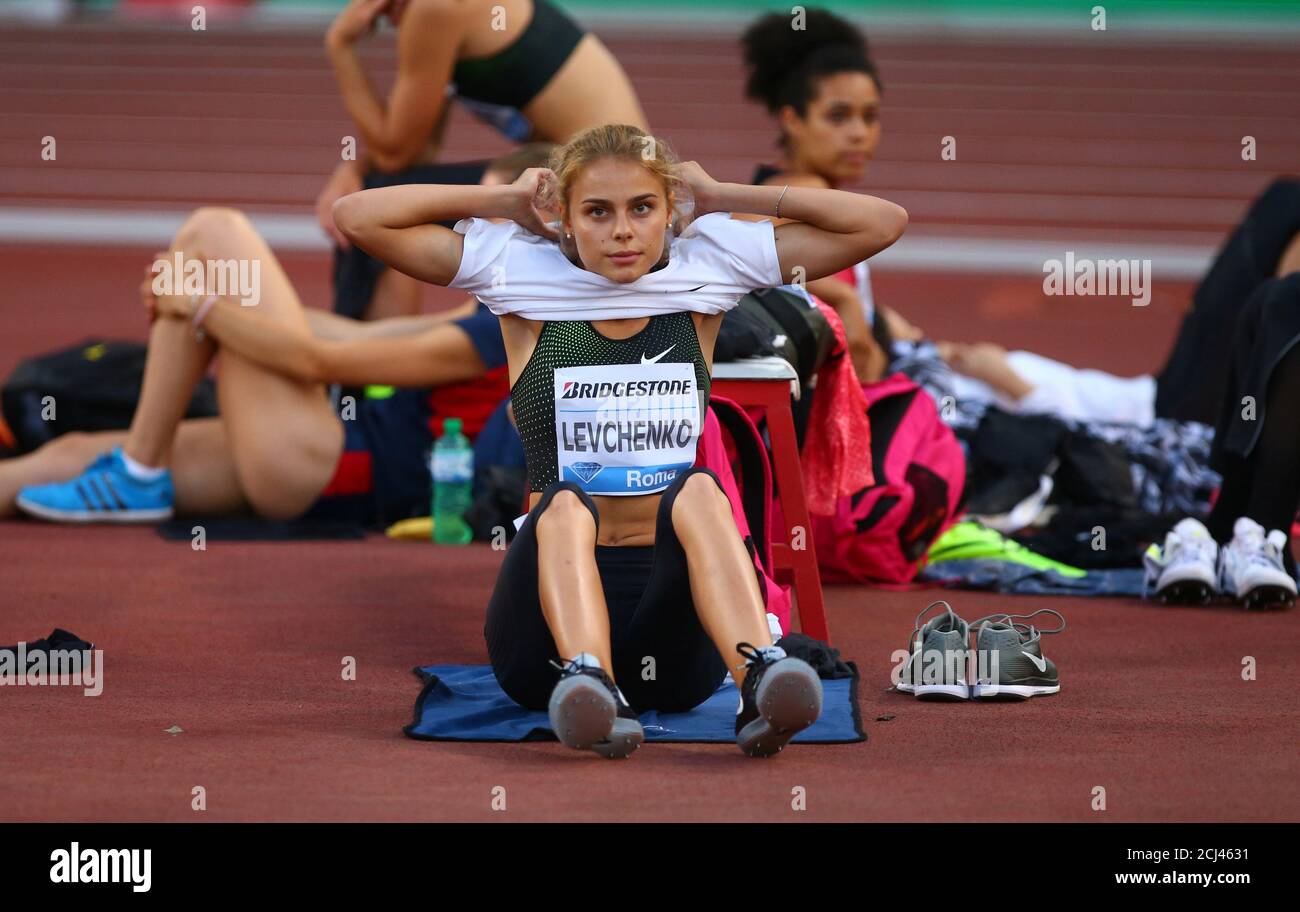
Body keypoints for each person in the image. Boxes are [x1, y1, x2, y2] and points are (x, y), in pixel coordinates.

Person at [332, 122, 908, 757]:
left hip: (676, 637)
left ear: (669, 211)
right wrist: (500, 202)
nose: (623, 231)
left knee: (698, 488)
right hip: (543, 641)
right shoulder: (517, 272)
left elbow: (881, 223)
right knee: (563, 501)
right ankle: (588, 680)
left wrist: (721, 194)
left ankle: (759, 675)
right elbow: (358, 216)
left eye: (642, 208)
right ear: (566, 221)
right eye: (598, 213)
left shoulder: (710, 267)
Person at [4, 151, 553, 527]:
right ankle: (138, 467)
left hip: (325, 469)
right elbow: (355, 335)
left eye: (493, 213)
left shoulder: (506, 328)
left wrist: (203, 307)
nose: (473, 227)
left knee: (215, 230)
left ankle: (139, 472)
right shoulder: (485, 311)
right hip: (304, 453)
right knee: (72, 455)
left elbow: (313, 360)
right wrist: (215, 299)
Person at [317, 0, 648, 321]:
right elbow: (417, 153)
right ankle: (377, 358)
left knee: (382, 199)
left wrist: (340, 46)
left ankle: (374, 369)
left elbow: (395, 154)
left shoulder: (434, 7)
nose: (382, 16)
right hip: (591, 169)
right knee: (386, 193)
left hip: (605, 177)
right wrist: (355, 166)